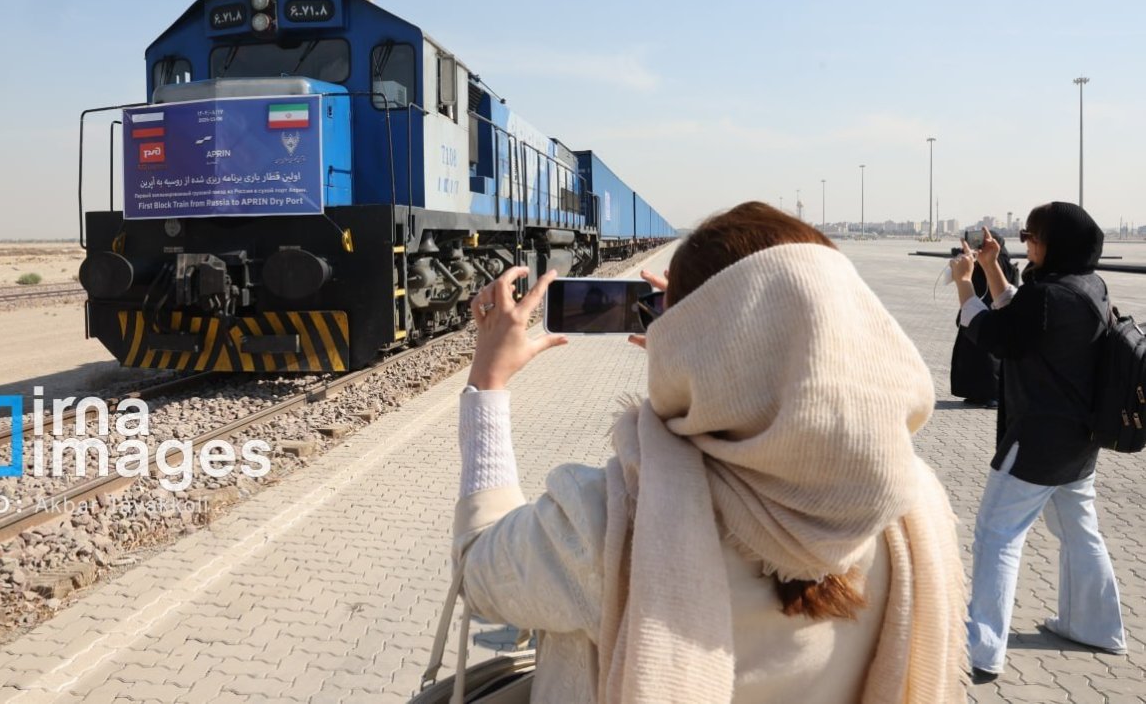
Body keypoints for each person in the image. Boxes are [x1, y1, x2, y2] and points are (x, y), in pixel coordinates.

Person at [454, 202, 965, 703]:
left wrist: (487, 384)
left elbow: (477, 567)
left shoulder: (606, 524)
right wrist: (707, 367)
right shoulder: (912, 507)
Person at [951, 202, 1126, 680]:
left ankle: (981, 650)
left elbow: (994, 334)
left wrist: (966, 281)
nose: (1026, 241)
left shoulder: (1047, 297)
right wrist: (991, 266)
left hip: (1035, 444)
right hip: (1077, 443)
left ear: (1058, 244)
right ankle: (1095, 626)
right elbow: (1024, 323)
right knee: (1078, 533)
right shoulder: (1087, 286)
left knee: (996, 535)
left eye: (1033, 235)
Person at [950, 230, 1018, 407]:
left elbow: (1006, 293)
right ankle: (975, 392)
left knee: (990, 357)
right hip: (976, 314)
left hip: (989, 315)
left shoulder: (1000, 262)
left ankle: (993, 393)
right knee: (971, 357)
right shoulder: (979, 260)